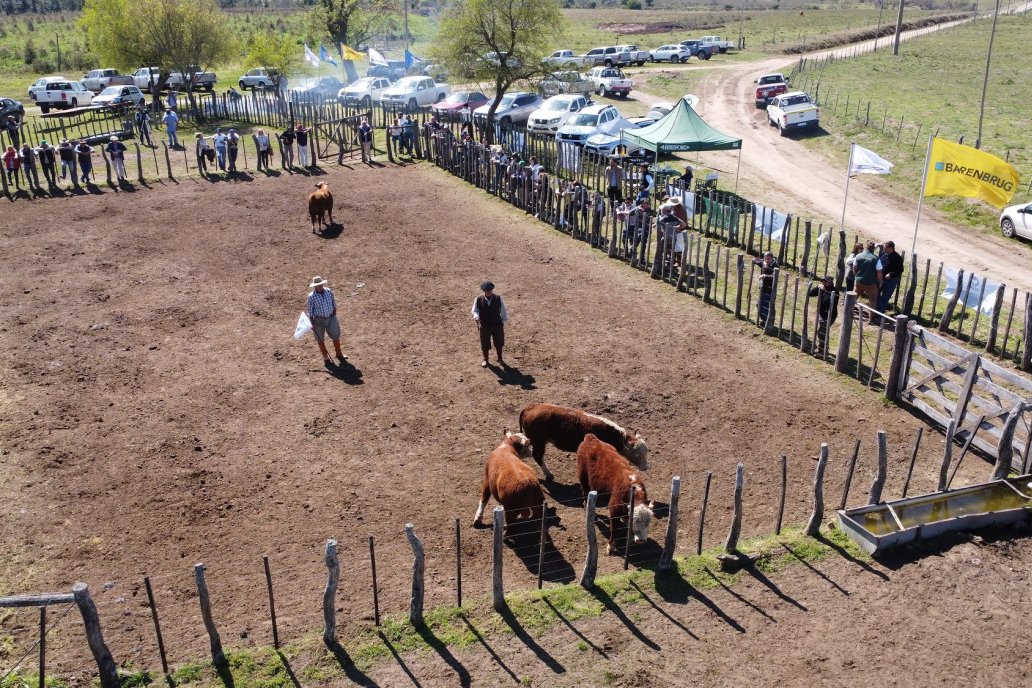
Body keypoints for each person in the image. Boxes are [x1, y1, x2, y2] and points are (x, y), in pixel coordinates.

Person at [306, 276, 346, 364]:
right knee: (320, 339)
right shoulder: (311, 297)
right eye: (318, 285)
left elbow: (333, 302)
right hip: (318, 320)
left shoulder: (329, 291)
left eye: (321, 284)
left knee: (336, 335)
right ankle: (325, 357)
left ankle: (339, 353)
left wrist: (334, 312)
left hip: (330, 317)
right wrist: (312, 323)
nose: (320, 286)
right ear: (315, 286)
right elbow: (310, 311)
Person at [472, 280, 508, 368]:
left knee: (499, 342)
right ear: (484, 291)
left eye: (490, 291)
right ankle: (485, 359)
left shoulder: (498, 298)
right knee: (484, 343)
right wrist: (476, 317)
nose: (488, 292)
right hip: (484, 326)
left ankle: (500, 358)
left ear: (492, 290)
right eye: (486, 291)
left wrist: (502, 321)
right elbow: (474, 310)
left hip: (497, 325)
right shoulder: (478, 299)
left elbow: (503, 310)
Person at [808, 276, 840, 353]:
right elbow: (810, 294)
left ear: (831, 283)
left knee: (821, 333)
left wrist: (823, 291)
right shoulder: (821, 288)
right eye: (822, 281)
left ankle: (821, 351)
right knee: (823, 332)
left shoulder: (834, 291)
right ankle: (824, 349)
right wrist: (817, 288)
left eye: (826, 281)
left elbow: (829, 302)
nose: (824, 282)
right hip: (821, 314)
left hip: (829, 315)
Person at [876, 241, 904, 313]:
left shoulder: (897, 258)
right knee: (876, 293)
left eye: (885, 248)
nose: (884, 249)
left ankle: (880, 314)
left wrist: (891, 274)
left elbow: (900, 270)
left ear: (891, 248)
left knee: (885, 297)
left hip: (890, 281)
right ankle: (876, 310)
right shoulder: (883, 254)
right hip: (880, 278)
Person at [851, 240, 880, 309]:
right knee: (872, 301)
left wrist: (856, 276)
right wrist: (880, 281)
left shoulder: (858, 256)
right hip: (871, 283)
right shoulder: (876, 259)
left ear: (866, 247)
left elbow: (854, 268)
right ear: (873, 248)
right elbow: (879, 273)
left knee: (854, 296)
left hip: (859, 281)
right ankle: (871, 319)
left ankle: (848, 308)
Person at [753, 251, 778, 326]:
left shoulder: (775, 266)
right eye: (765, 259)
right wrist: (755, 261)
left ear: (772, 258)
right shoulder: (764, 263)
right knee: (759, 305)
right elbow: (759, 261)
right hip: (763, 289)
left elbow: (774, 277)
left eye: (769, 259)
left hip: (770, 291)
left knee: (766, 307)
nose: (767, 261)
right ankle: (765, 320)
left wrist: (764, 276)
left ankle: (768, 322)